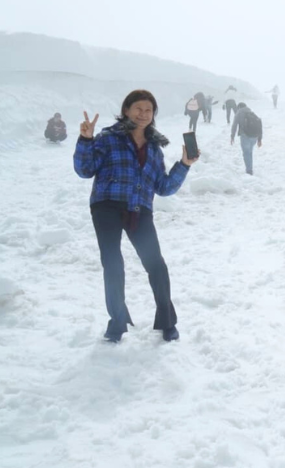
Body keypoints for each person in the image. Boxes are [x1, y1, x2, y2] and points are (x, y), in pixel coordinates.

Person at [74, 90, 198, 343]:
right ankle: (117, 322)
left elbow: (163, 187)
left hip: (139, 210)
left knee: (156, 265)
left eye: (148, 110)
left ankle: (167, 321)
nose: (143, 114)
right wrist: (85, 140)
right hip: (107, 205)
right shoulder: (108, 138)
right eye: (138, 109)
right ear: (126, 110)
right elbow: (85, 170)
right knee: (113, 264)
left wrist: (184, 164)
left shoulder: (154, 149)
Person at [230, 102, 262, 175]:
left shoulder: (239, 113)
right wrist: (259, 139)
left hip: (245, 136)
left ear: (239, 108)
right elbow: (259, 125)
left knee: (246, 153)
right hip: (254, 137)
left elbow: (234, 125)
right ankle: (249, 168)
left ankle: (249, 170)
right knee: (249, 152)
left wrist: (232, 136)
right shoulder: (252, 113)